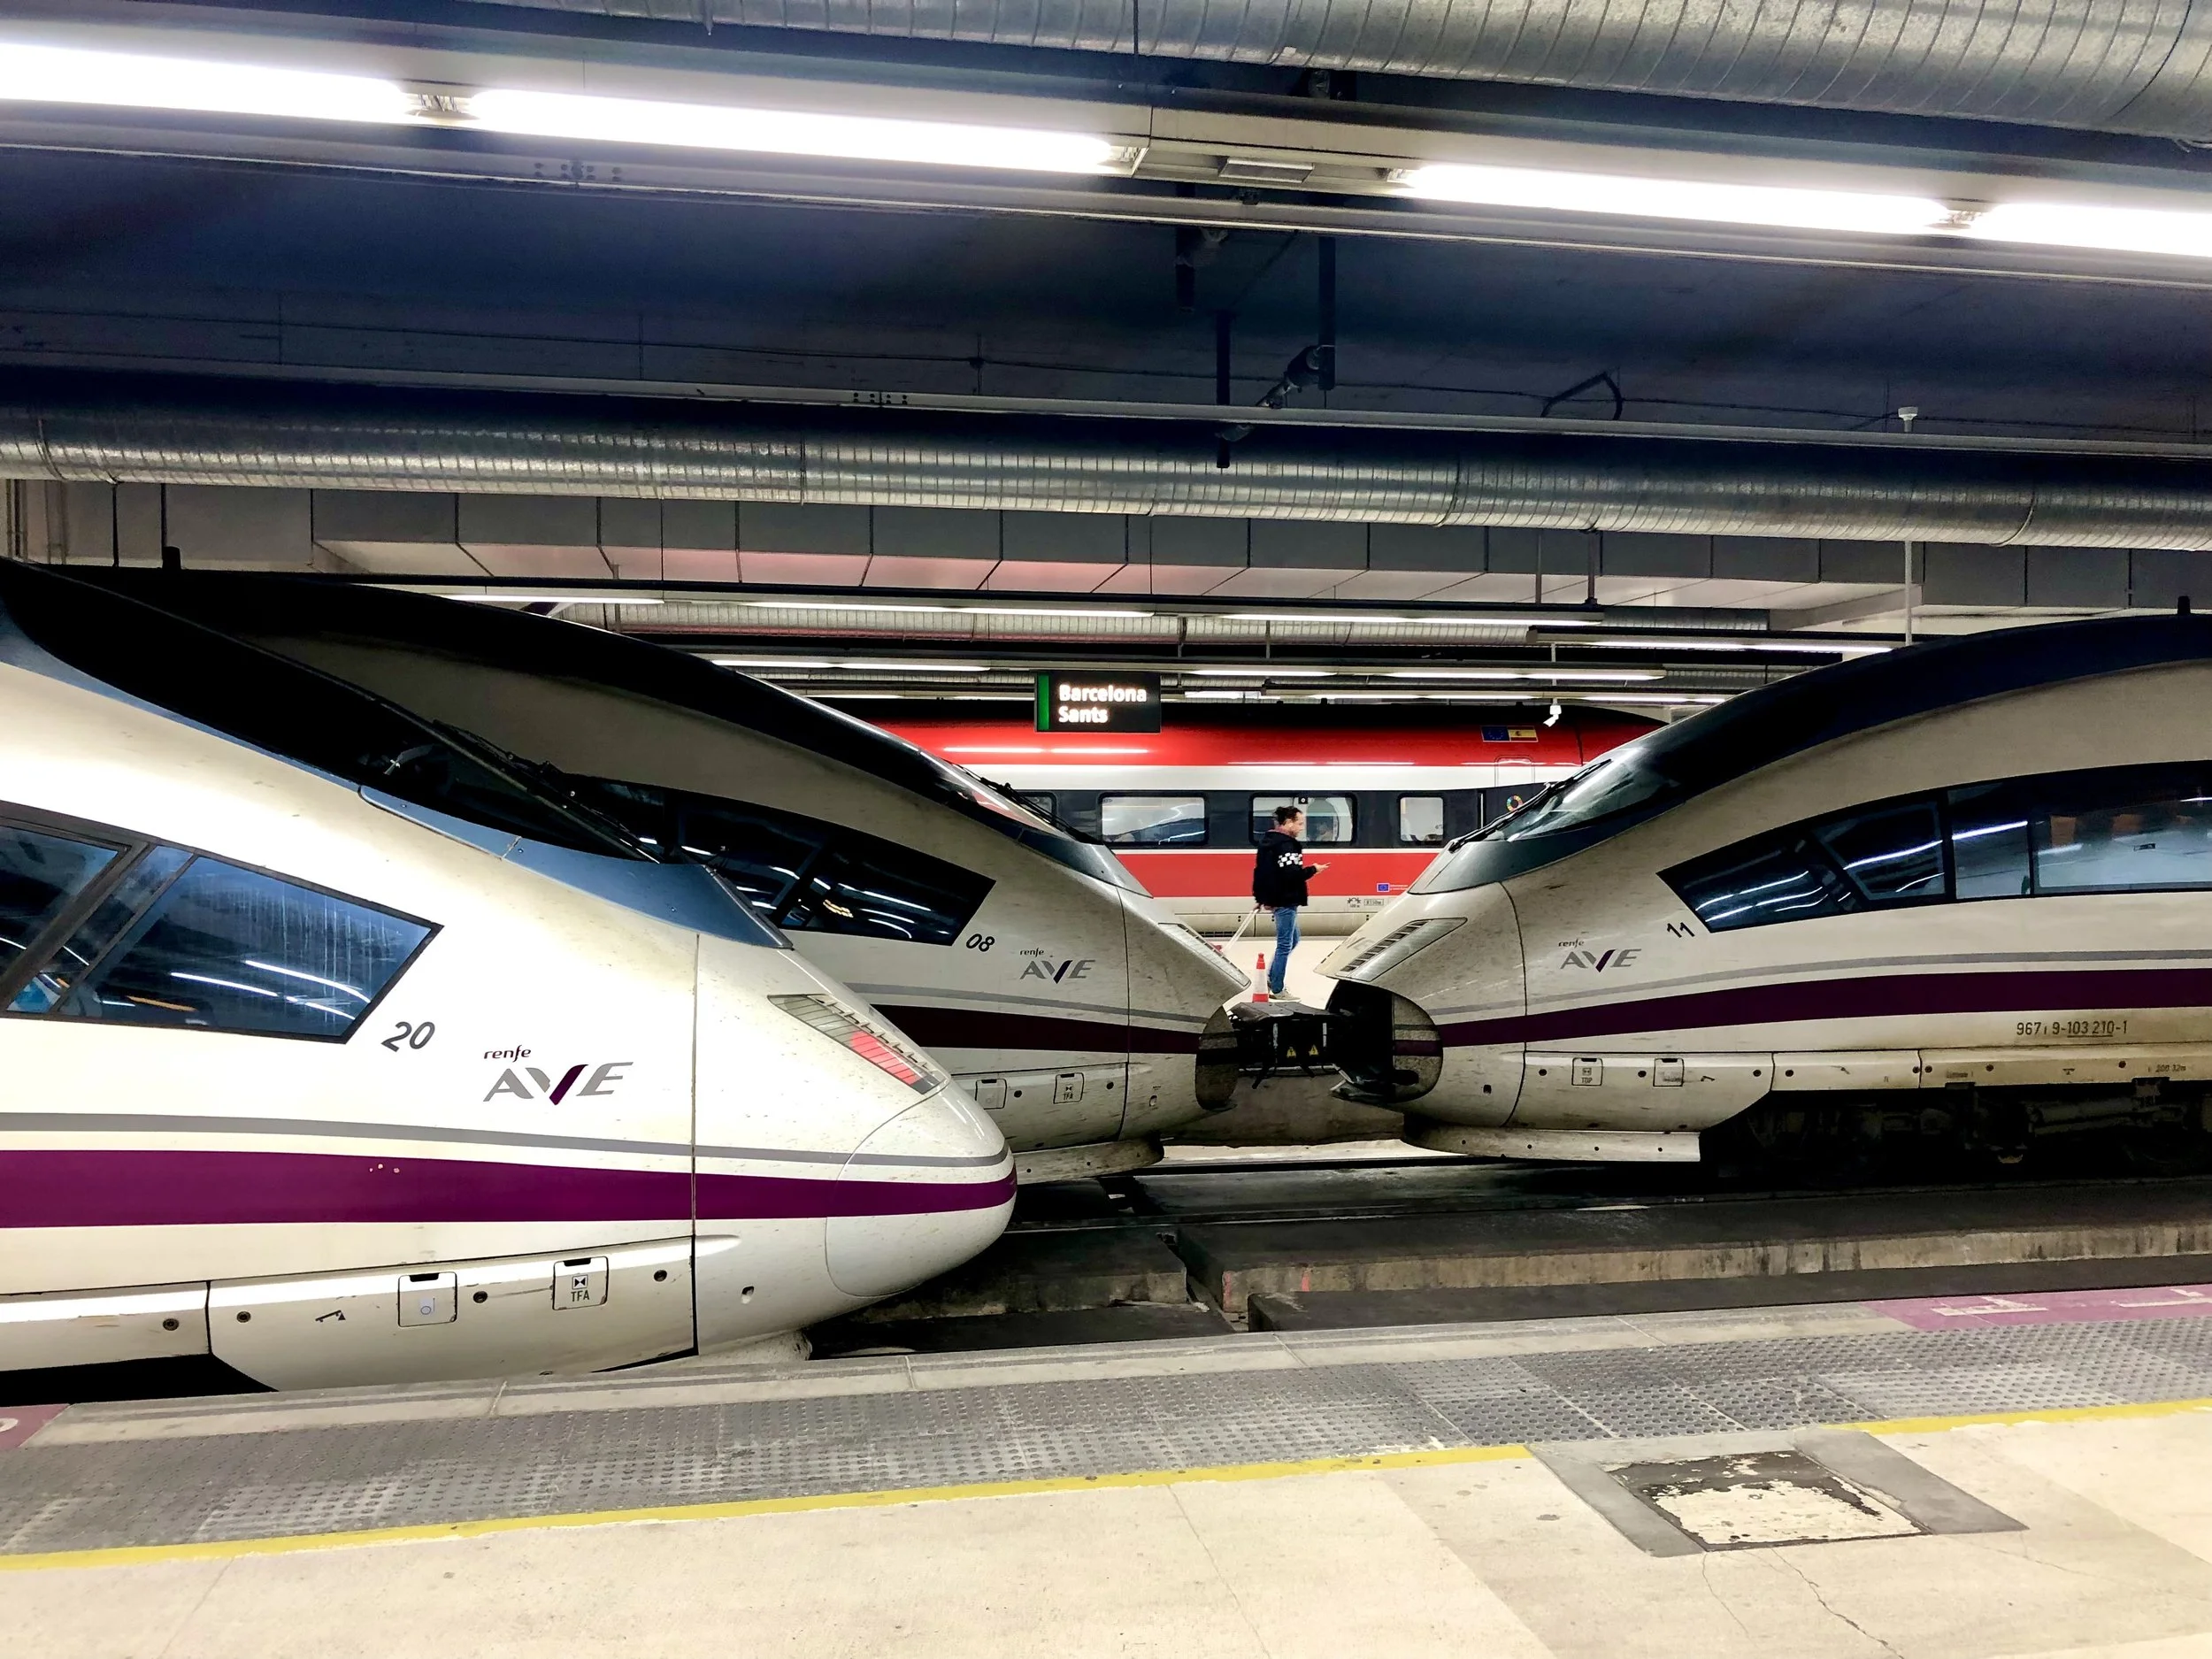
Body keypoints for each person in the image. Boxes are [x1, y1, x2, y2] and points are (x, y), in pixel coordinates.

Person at [1252, 803, 1326, 999]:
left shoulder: (1268, 842)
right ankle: (1277, 988)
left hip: (1278, 897)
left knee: (1294, 939)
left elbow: (1261, 873)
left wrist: (1260, 897)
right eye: (1299, 823)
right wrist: (1313, 870)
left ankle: (1272, 977)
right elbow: (1291, 874)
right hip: (1285, 899)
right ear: (1288, 822)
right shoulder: (1286, 845)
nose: (1302, 827)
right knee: (1285, 944)